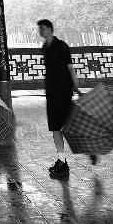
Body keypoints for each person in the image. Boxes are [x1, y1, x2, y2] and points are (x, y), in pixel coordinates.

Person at [37, 19, 81, 180]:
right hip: (51, 92)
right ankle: (61, 160)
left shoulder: (62, 46)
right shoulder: (44, 48)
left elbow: (70, 68)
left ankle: (90, 150)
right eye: (39, 29)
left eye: (42, 28)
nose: (40, 31)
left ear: (49, 29)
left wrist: (76, 87)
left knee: (68, 126)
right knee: (55, 127)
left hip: (63, 91)